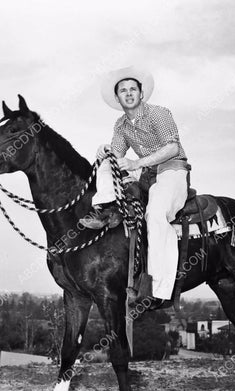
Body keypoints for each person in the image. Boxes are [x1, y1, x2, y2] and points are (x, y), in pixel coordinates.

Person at [80, 66, 190, 306]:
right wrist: (105, 151)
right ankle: (106, 208)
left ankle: (159, 292)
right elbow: (118, 154)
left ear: (141, 94)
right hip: (145, 174)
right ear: (118, 98)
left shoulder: (159, 114)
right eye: (123, 91)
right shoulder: (120, 125)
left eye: (133, 89)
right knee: (106, 163)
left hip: (171, 169)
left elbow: (172, 147)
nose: (128, 93)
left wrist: (137, 162)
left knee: (155, 217)